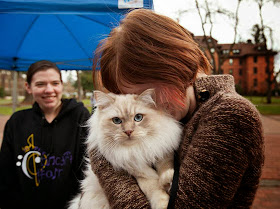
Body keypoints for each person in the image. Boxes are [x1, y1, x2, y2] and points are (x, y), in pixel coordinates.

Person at [90, 9, 264, 208]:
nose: (141, 105)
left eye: (144, 94)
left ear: (173, 68)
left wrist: (100, 152)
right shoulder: (180, 114)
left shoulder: (230, 115)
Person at [0, 60, 90, 209]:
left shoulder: (80, 116)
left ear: (61, 85)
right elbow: (5, 175)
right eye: (40, 84)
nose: (49, 90)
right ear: (28, 87)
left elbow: (87, 169)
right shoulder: (17, 122)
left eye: (55, 83)